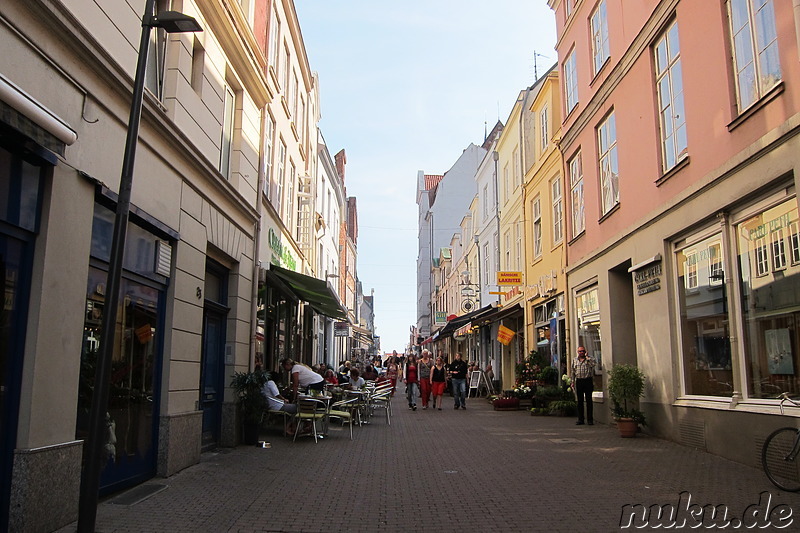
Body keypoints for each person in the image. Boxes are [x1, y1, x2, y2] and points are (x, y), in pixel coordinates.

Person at [571, 346, 596, 425]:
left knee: (589, 401)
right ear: (577, 352)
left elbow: (593, 364)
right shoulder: (575, 360)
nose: (581, 352)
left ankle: (590, 419)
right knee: (580, 401)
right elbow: (573, 371)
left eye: (583, 351)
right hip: (579, 381)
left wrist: (587, 358)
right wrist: (572, 381)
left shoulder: (589, 359)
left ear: (585, 352)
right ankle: (580, 419)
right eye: (580, 351)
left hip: (587, 380)